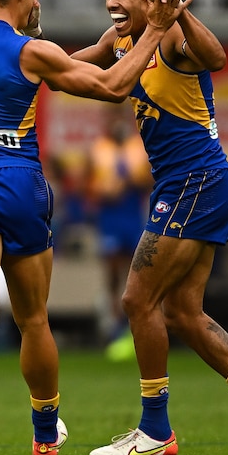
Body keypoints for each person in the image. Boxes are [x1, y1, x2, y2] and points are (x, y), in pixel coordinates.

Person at [0, 0, 187, 455]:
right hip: (17, 180)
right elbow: (115, 86)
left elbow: (2, 64)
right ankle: (45, 435)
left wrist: (26, 23)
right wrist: (157, 29)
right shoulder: (30, 51)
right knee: (33, 320)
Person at [70, 0, 228, 455]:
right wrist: (22, 57)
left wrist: (179, 14)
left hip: (196, 181)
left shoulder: (171, 36)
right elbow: (69, 70)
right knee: (182, 313)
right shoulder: (122, 41)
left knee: (136, 298)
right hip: (187, 184)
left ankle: (155, 430)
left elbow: (215, 57)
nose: (111, 3)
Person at [85, 107, 152, 356]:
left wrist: (132, 181)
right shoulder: (98, 149)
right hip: (110, 218)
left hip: (133, 217)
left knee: (135, 275)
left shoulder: (139, 148)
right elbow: (86, 187)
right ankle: (114, 327)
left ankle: (133, 328)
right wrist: (102, 191)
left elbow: (151, 180)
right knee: (112, 274)